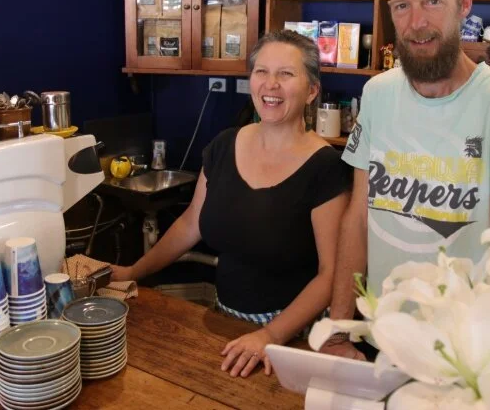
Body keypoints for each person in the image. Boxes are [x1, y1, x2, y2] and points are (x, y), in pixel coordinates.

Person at [320, 0, 490, 360]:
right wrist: (339, 330)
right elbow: (358, 218)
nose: (417, 23)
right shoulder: (377, 94)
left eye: (432, 2)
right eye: (402, 6)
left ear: (464, 4)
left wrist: (483, 365)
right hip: (382, 341)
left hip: (467, 356)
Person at [112, 30, 351, 377]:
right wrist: (134, 272)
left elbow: (332, 274)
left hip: (291, 336)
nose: (271, 84)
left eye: (286, 74)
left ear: (312, 90)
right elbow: (191, 223)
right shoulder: (224, 145)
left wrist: (271, 335)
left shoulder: (326, 168)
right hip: (225, 321)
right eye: (261, 71)